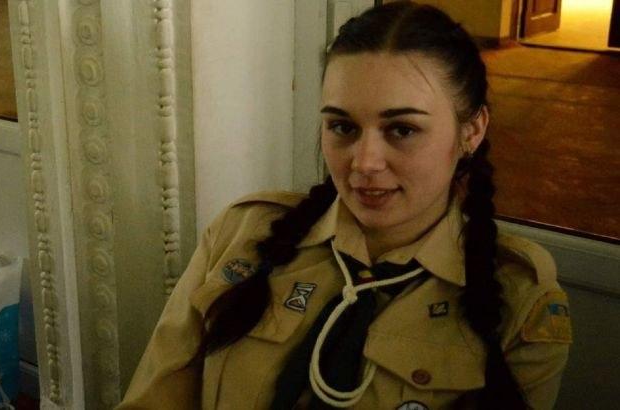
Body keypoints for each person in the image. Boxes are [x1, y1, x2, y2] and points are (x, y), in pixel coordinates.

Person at [117, 1, 571, 409]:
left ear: (471, 131)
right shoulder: (244, 235)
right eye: (343, 127)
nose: (365, 163)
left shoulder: (517, 302)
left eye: (402, 130)